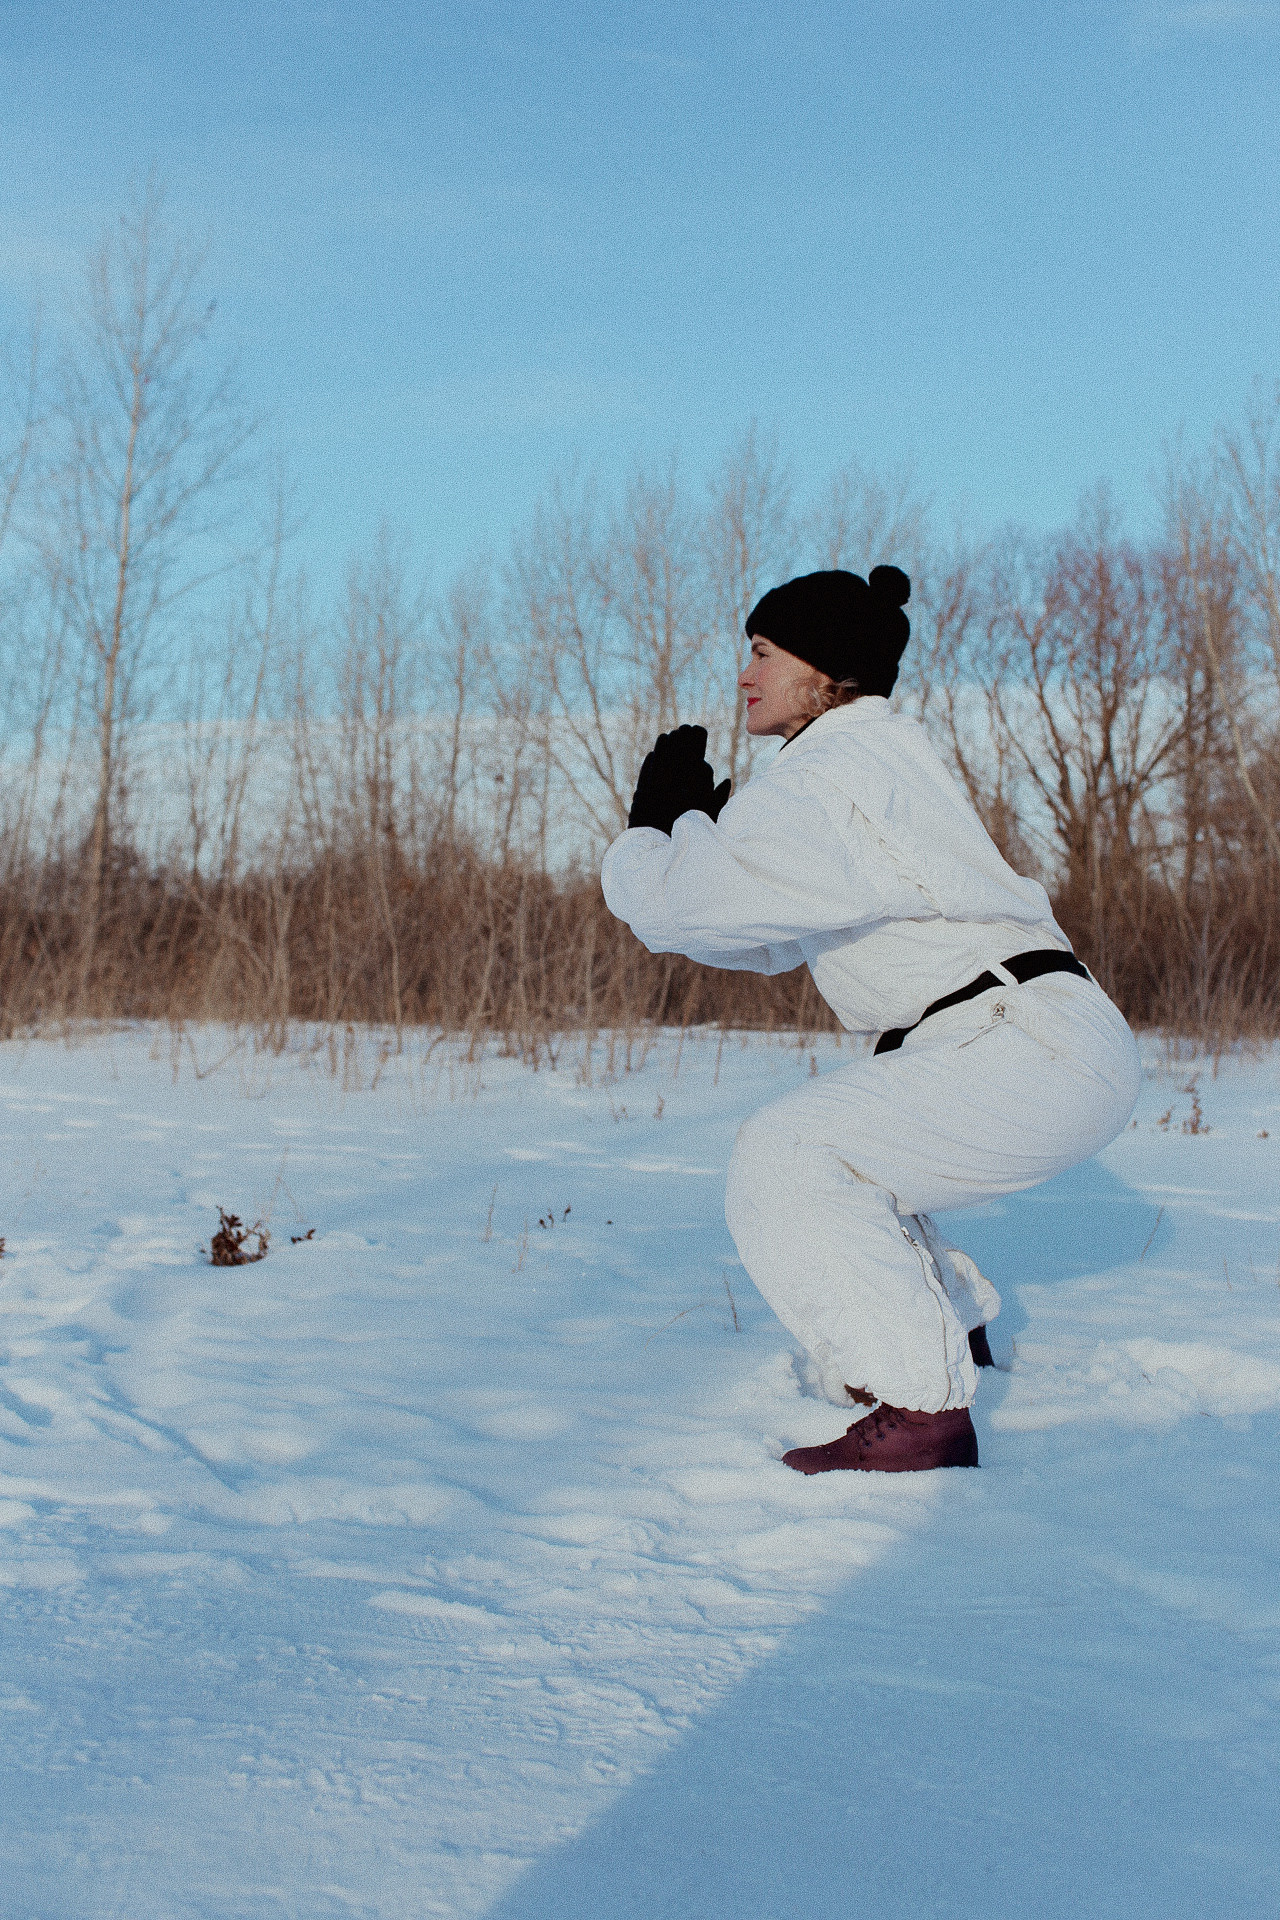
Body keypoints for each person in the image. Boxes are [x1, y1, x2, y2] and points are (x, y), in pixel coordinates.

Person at [601, 567, 1141, 1474]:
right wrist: (702, 838)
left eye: (763, 652)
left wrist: (658, 828)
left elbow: (682, 910)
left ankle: (922, 1411)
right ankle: (947, 1333)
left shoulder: (826, 776)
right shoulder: (869, 761)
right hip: (1033, 1034)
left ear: (826, 670)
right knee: (849, 1160)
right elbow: (768, 939)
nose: (745, 675)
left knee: (789, 1154)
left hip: (1021, 1041)